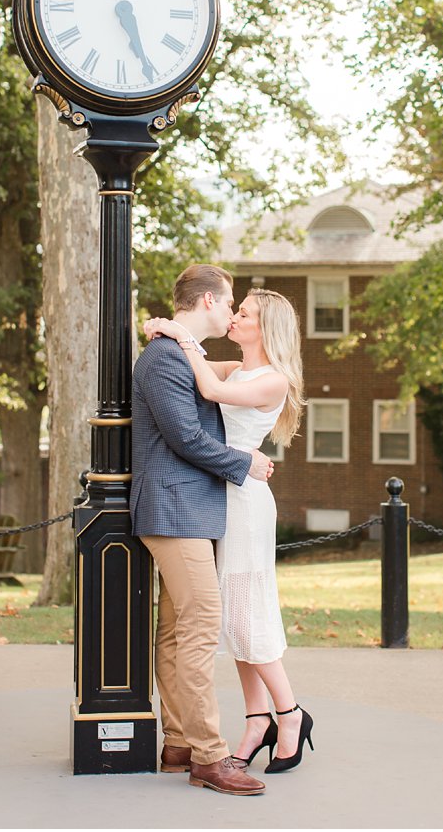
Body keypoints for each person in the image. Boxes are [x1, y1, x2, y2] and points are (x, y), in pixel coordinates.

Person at [144, 287, 315, 774]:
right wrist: (175, 334)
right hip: (222, 498)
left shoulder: (273, 380)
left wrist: (177, 332)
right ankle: (257, 720)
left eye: (245, 314)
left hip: (244, 501)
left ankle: (290, 714)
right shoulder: (238, 368)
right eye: (234, 310)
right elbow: (205, 374)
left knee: (246, 614)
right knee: (234, 617)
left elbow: (210, 391)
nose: (235, 318)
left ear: (267, 329)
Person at [131, 264, 275, 796]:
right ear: (210, 300)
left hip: (186, 512)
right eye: (230, 301)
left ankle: (179, 744)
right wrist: (245, 465)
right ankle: (210, 758)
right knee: (200, 628)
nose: (232, 309)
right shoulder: (164, 358)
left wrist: (175, 329)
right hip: (173, 512)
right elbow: (187, 438)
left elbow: (219, 386)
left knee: (174, 632)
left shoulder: (176, 351)